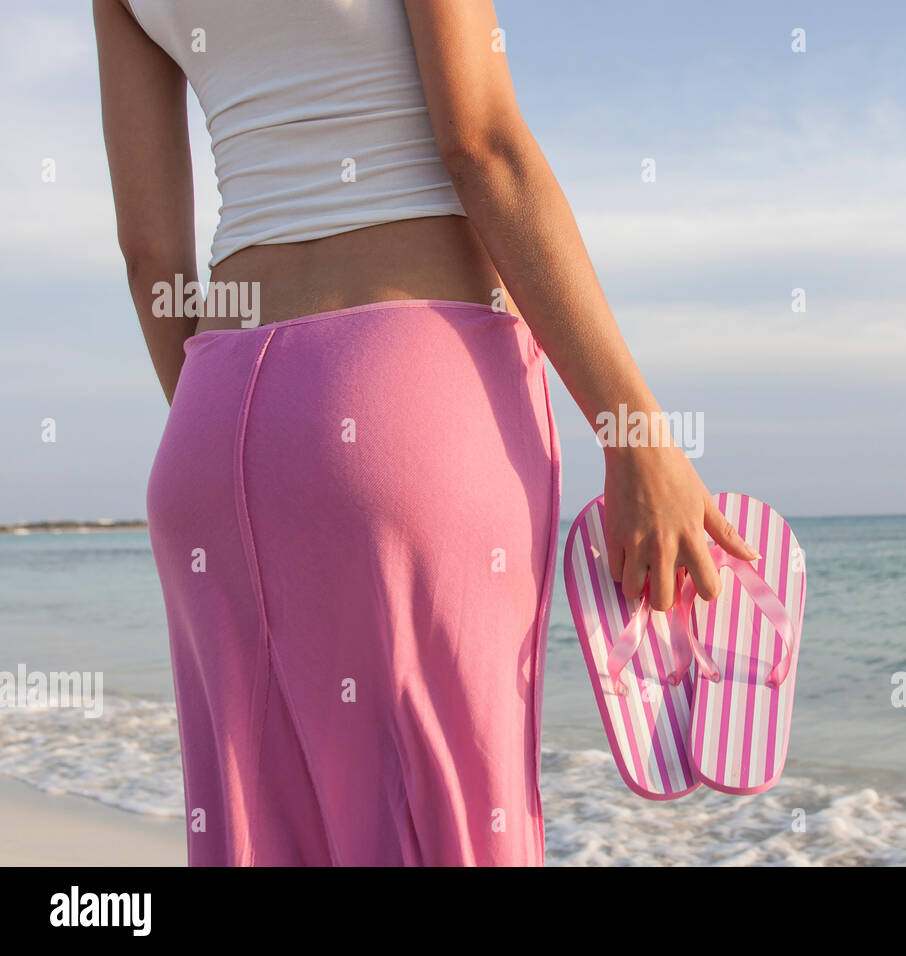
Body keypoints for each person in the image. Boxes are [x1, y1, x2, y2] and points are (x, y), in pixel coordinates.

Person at [93, 0, 757, 865]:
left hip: (213, 416)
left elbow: (149, 251)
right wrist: (635, 431)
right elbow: (480, 146)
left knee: (255, 821)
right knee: (448, 816)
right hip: (409, 395)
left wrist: (237, 437)